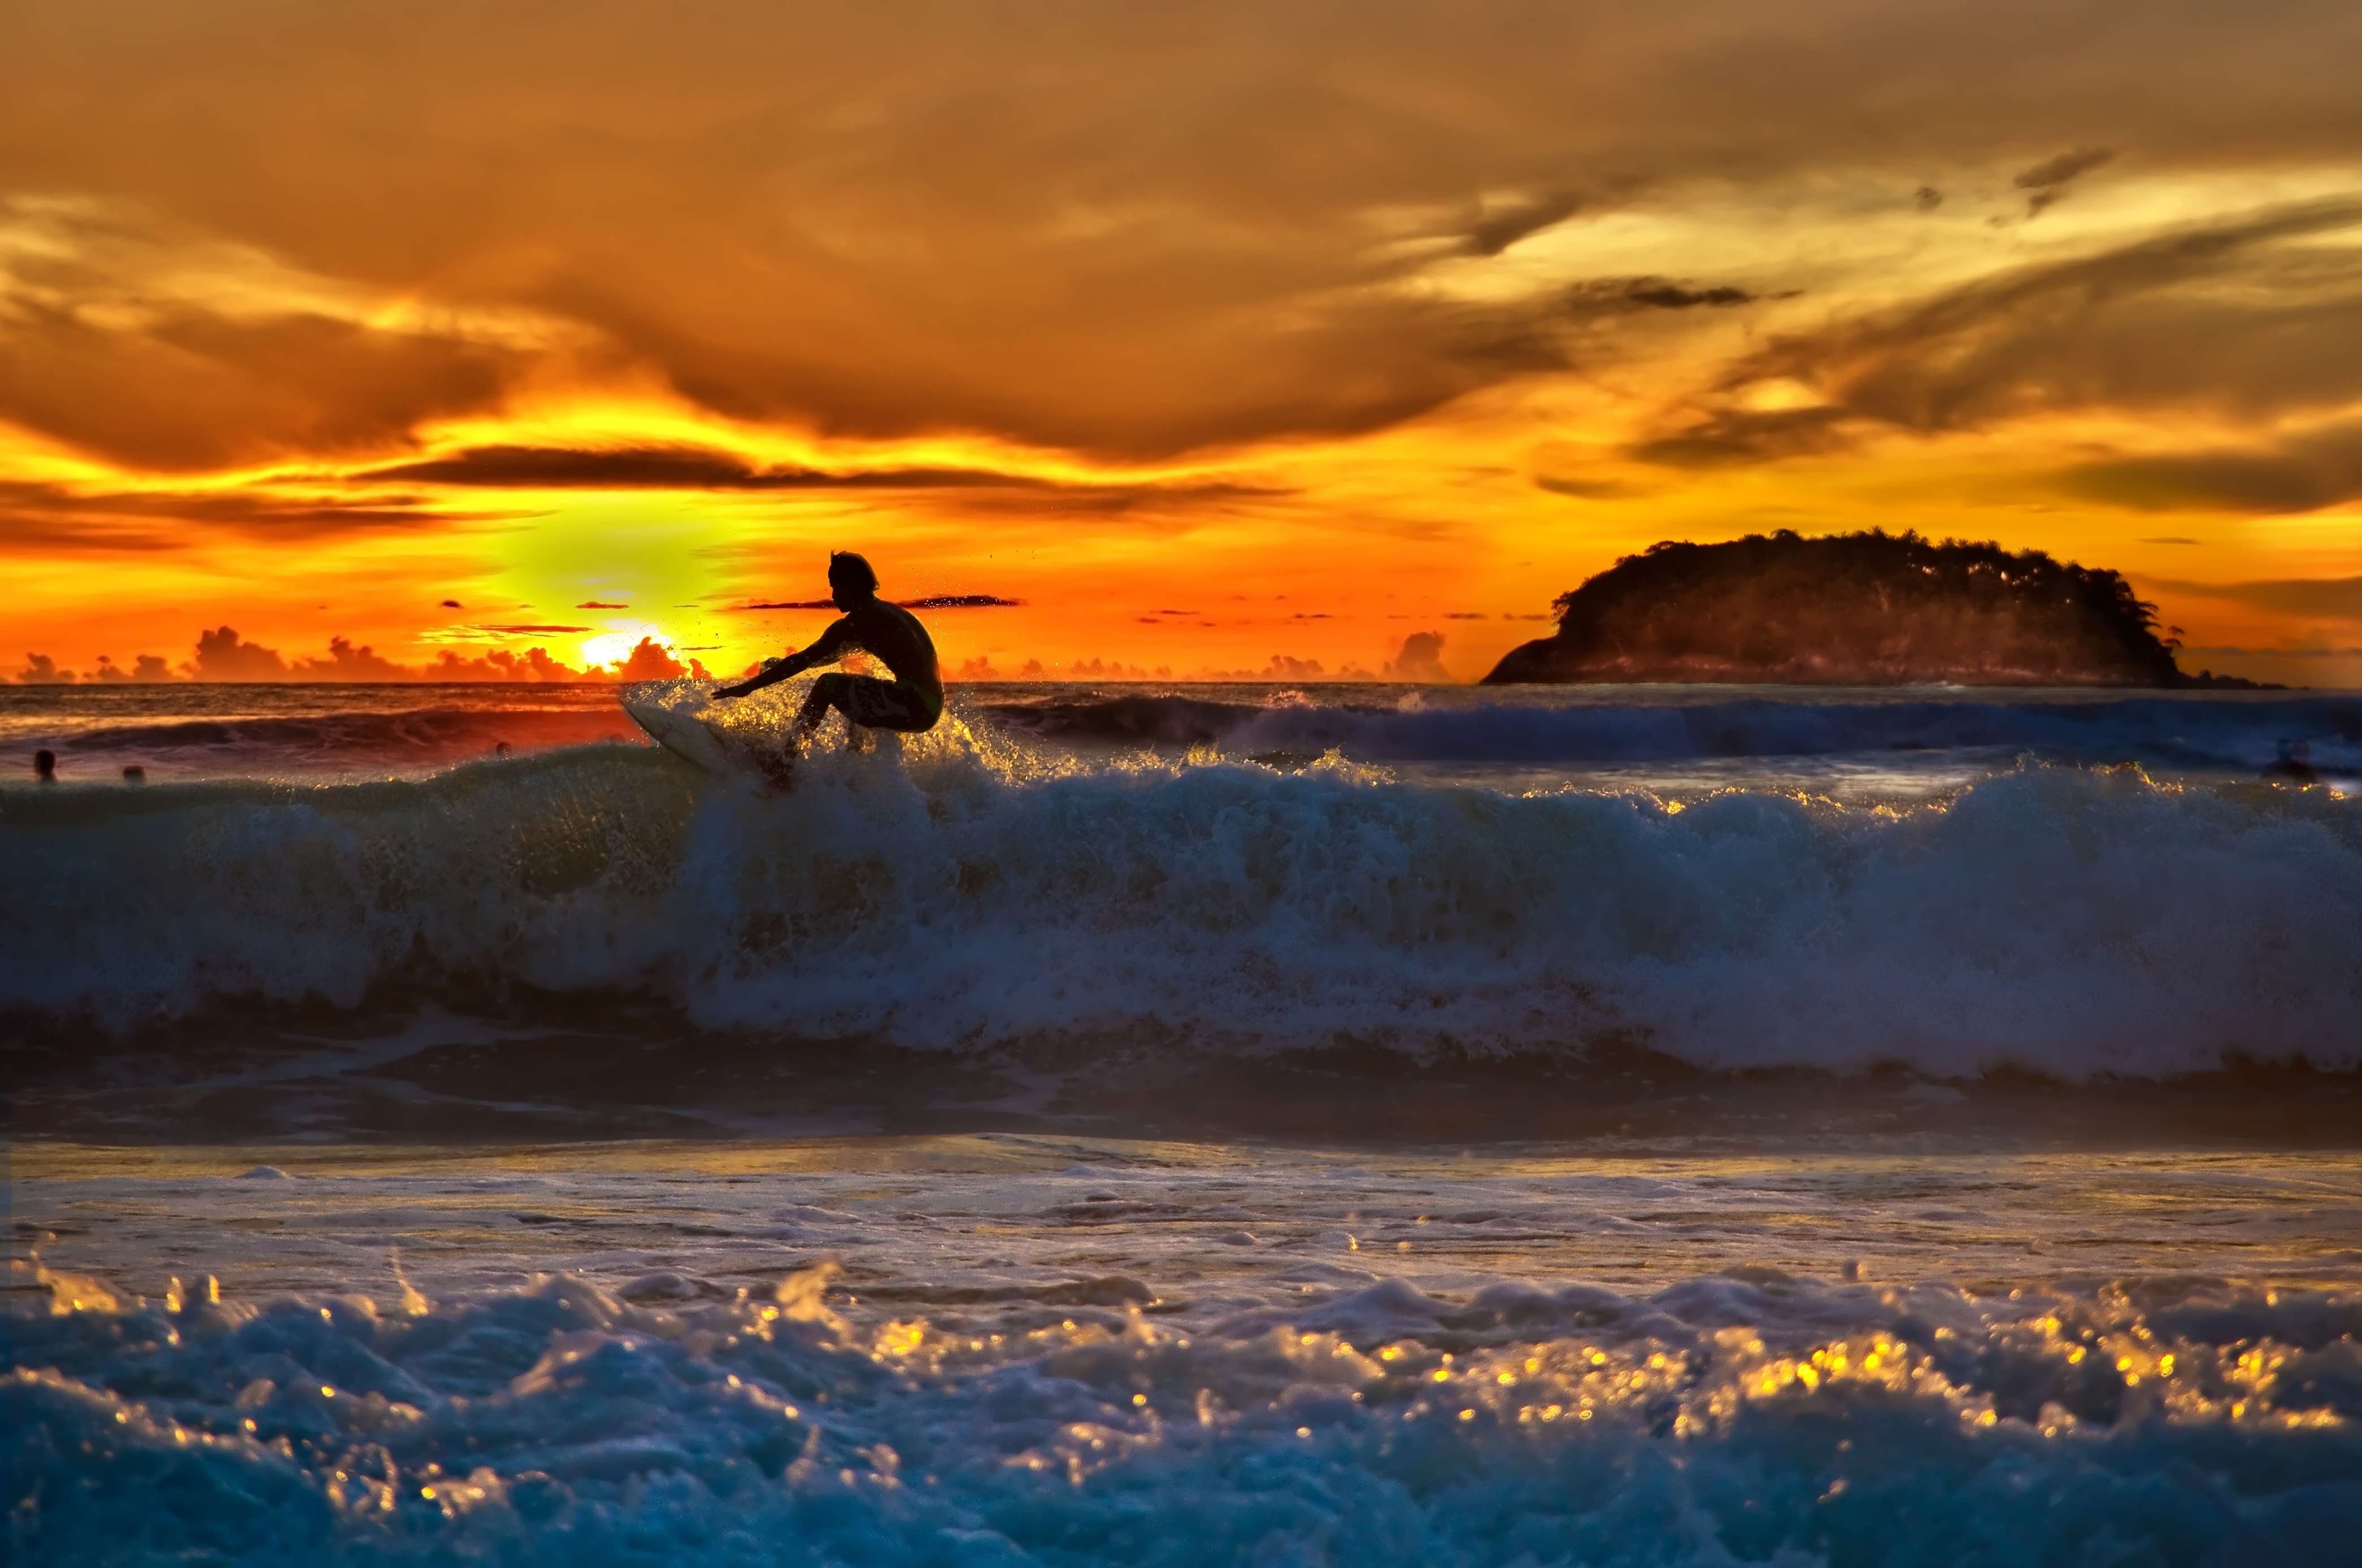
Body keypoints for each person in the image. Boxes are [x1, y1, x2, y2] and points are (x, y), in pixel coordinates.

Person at [715, 552, 944, 747]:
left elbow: (806, 659)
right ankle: (855, 766)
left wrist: (749, 687)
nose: (833, 596)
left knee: (828, 684)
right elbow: (823, 656)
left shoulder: (858, 621)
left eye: (836, 588)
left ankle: (785, 761)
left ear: (853, 586)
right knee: (856, 686)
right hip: (927, 704)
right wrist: (779, 665)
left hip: (913, 704)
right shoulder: (885, 612)